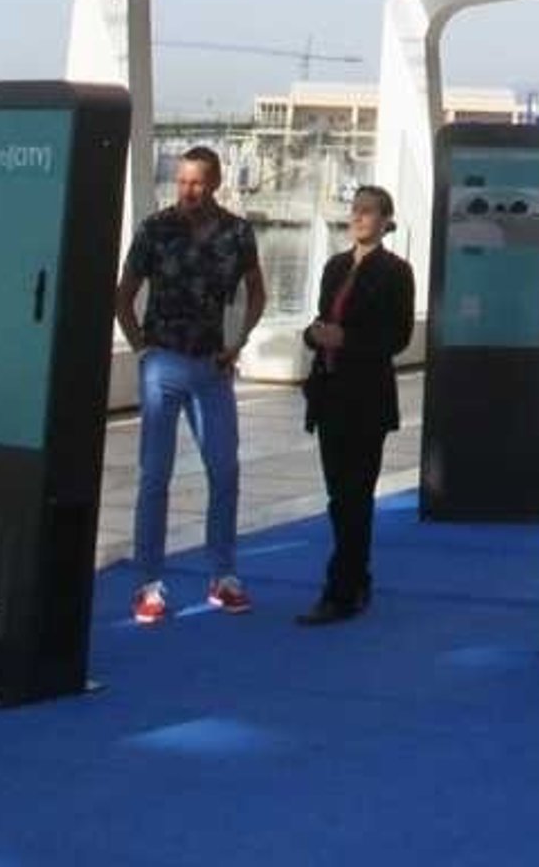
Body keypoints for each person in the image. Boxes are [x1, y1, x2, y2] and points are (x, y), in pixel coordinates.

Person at [115, 145, 266, 624]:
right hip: (163, 363)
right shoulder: (155, 229)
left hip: (212, 367)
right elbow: (124, 296)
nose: (187, 191)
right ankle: (148, 583)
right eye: (181, 182)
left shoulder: (237, 233)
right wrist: (142, 349)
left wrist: (238, 341)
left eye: (197, 182)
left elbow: (257, 292)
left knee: (225, 469)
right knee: (154, 476)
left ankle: (223, 575)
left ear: (216, 183)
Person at [295, 184, 417, 624]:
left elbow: (398, 337)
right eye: (356, 209)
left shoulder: (396, 272)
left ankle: (342, 588)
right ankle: (356, 576)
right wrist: (315, 335)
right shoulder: (335, 266)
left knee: (355, 493)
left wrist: (347, 339)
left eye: (369, 211)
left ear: (385, 220)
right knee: (338, 495)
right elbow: (321, 320)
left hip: (365, 396)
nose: (359, 217)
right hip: (329, 393)